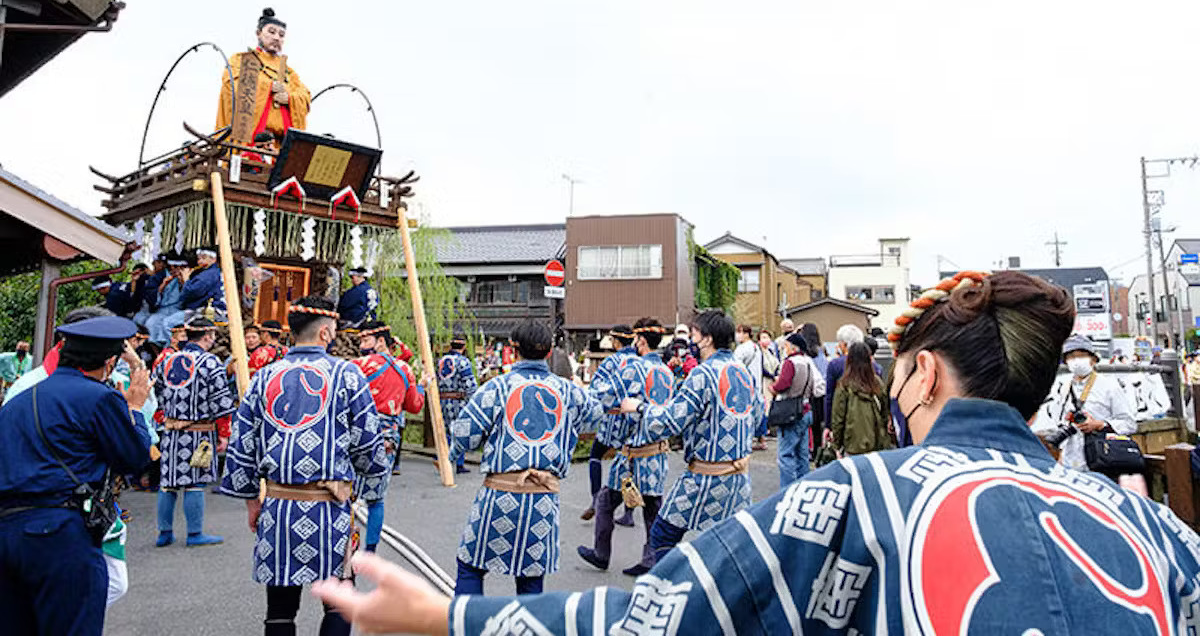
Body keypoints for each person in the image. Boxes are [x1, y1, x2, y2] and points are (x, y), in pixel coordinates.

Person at [317, 269, 1200, 635]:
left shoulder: (866, 498)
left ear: (923, 373)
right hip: (730, 481)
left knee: (679, 576)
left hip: (649, 485)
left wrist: (442, 621)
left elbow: (655, 618)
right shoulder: (1157, 530)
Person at [220, 295, 390, 636]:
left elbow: (242, 446)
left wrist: (252, 500)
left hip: (279, 506)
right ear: (326, 333)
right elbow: (369, 447)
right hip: (331, 509)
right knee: (340, 598)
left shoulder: (263, 378)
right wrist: (372, 493)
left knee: (280, 609)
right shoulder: (348, 375)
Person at [0, 311, 152, 635]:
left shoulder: (18, 399)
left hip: (8, 529)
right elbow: (134, 457)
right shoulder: (99, 396)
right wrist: (136, 410)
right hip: (59, 532)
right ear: (109, 362)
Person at [447, 321, 602, 595]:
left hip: (498, 495)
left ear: (513, 349)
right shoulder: (568, 391)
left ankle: (468, 625)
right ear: (549, 351)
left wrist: (455, 455)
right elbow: (595, 417)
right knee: (531, 576)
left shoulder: (496, 387)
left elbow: (464, 433)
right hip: (542, 499)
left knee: (470, 565)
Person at [617, 309, 761, 566]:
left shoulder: (703, 374)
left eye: (694, 334)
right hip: (739, 476)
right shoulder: (743, 371)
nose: (690, 341)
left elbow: (671, 420)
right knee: (725, 543)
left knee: (663, 533)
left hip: (706, 474)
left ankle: (670, 593)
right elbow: (759, 416)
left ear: (707, 339)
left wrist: (639, 407)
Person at [578, 319, 674, 577]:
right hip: (659, 450)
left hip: (634, 451)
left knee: (606, 501)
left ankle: (601, 553)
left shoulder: (634, 369)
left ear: (640, 341)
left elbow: (611, 398)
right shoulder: (666, 371)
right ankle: (651, 558)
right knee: (652, 507)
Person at [153, 316, 236, 547]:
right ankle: (194, 533)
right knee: (195, 482)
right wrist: (224, 433)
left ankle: (164, 533)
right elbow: (221, 402)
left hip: (170, 431)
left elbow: (156, 392)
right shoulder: (210, 362)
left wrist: (166, 415)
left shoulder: (166, 361)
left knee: (167, 482)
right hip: (199, 432)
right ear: (208, 336)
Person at [352, 320, 425, 553]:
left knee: (346, 492)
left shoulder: (357, 366)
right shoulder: (404, 369)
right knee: (376, 498)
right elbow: (414, 406)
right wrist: (422, 386)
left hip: (356, 432)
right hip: (387, 438)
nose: (361, 345)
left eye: (365, 340)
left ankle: (344, 545)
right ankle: (370, 550)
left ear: (380, 341)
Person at [1037, 334, 1137, 473]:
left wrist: (1099, 425)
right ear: (1066, 361)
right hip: (1069, 461)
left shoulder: (1109, 385)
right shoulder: (1062, 386)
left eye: (1082, 355)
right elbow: (1056, 420)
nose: (1077, 360)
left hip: (1102, 460)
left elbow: (1129, 423)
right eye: (1071, 356)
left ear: (1093, 359)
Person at [216, 7, 312, 148]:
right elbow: (232, 85)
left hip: (279, 144)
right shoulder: (243, 60)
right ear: (258, 33)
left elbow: (305, 95)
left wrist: (290, 98)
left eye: (281, 35)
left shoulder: (289, 72)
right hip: (249, 142)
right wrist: (268, 87)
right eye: (271, 32)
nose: (276, 38)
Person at [581, 325, 639, 526]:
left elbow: (597, 388)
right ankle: (629, 512)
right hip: (634, 419)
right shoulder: (640, 362)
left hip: (613, 419)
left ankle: (596, 497)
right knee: (629, 465)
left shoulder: (611, 361)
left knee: (596, 454)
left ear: (616, 341)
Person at [772, 330, 820, 485]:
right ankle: (803, 486)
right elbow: (816, 387)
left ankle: (787, 489)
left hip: (790, 411)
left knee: (786, 454)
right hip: (806, 409)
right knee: (802, 454)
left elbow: (783, 384)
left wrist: (774, 386)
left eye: (786, 346)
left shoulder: (790, 362)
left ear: (793, 348)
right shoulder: (808, 362)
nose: (785, 349)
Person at [830, 340, 892, 456]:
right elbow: (885, 411)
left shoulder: (844, 385)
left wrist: (837, 445)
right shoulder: (877, 382)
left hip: (852, 443)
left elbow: (838, 418)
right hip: (876, 441)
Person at [436, 335, 478, 474]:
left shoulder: (441, 361)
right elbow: (470, 385)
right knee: (460, 431)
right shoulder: (463, 362)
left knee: (445, 431)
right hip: (458, 401)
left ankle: (441, 458)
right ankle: (459, 464)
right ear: (464, 347)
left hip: (443, 400)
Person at [160, 249, 225, 335]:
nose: (200, 261)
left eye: (204, 258)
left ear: (213, 259)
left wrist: (186, 279)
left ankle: (171, 346)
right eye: (199, 258)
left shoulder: (209, 275)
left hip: (209, 311)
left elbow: (192, 292)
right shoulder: (209, 272)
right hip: (208, 309)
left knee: (167, 323)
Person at [734, 324, 769, 451]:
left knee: (746, 413)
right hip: (757, 384)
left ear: (746, 333)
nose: (737, 335)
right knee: (759, 412)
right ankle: (761, 439)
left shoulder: (742, 349)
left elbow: (735, 367)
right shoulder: (756, 347)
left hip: (745, 384)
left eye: (739, 332)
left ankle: (746, 441)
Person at [146, 253, 187, 344]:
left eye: (181, 267)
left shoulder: (187, 276)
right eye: (175, 267)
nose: (176, 270)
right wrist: (163, 286)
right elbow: (150, 296)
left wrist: (184, 282)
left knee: (167, 323)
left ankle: (171, 348)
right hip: (162, 309)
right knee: (151, 323)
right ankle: (157, 352)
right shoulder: (158, 277)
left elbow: (191, 295)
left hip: (179, 308)